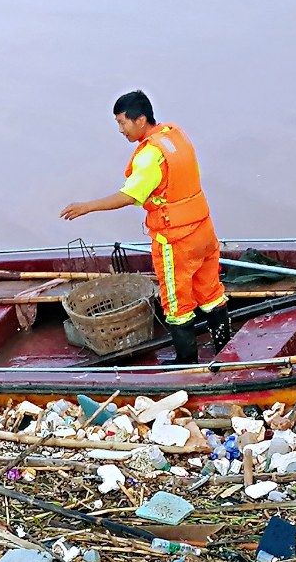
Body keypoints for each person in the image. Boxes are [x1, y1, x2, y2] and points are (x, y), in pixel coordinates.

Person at [61, 90, 232, 364]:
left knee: (176, 303)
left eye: (122, 123)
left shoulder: (151, 156)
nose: (120, 130)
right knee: (211, 292)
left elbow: (130, 196)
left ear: (140, 120)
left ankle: (186, 362)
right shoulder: (175, 135)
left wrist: (87, 206)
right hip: (203, 230)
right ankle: (225, 346)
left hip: (177, 239)